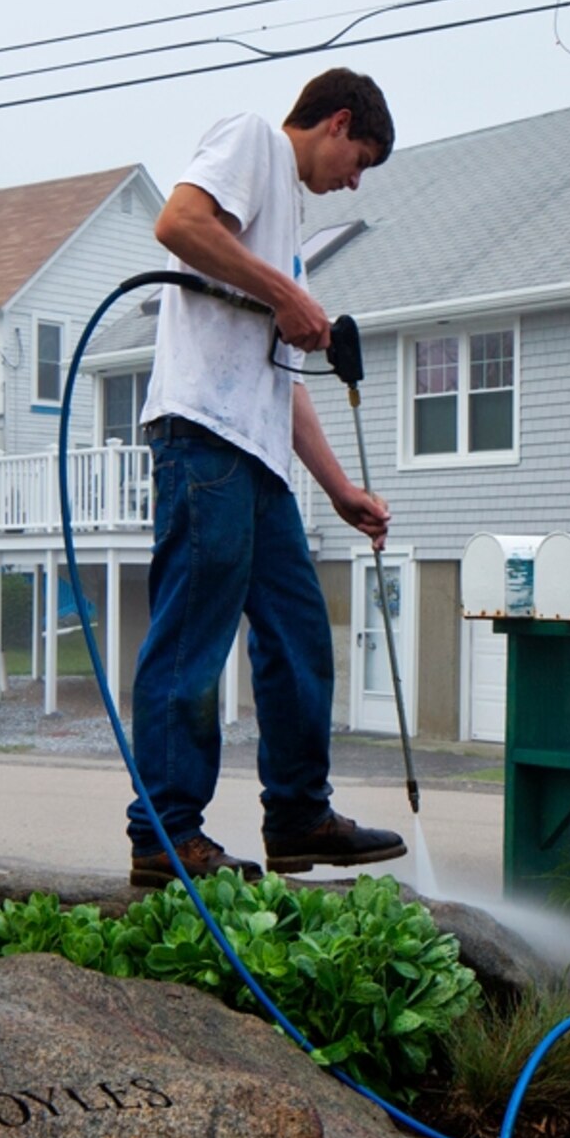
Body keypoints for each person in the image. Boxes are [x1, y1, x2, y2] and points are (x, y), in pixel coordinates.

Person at [125, 67, 405, 887]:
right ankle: (165, 837)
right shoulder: (252, 138)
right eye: (361, 158)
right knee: (192, 642)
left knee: (298, 634)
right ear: (337, 121)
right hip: (202, 440)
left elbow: (282, 381)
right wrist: (285, 291)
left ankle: (296, 815)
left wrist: (340, 487)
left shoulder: (284, 228)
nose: (354, 179)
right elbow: (177, 222)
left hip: (259, 454)